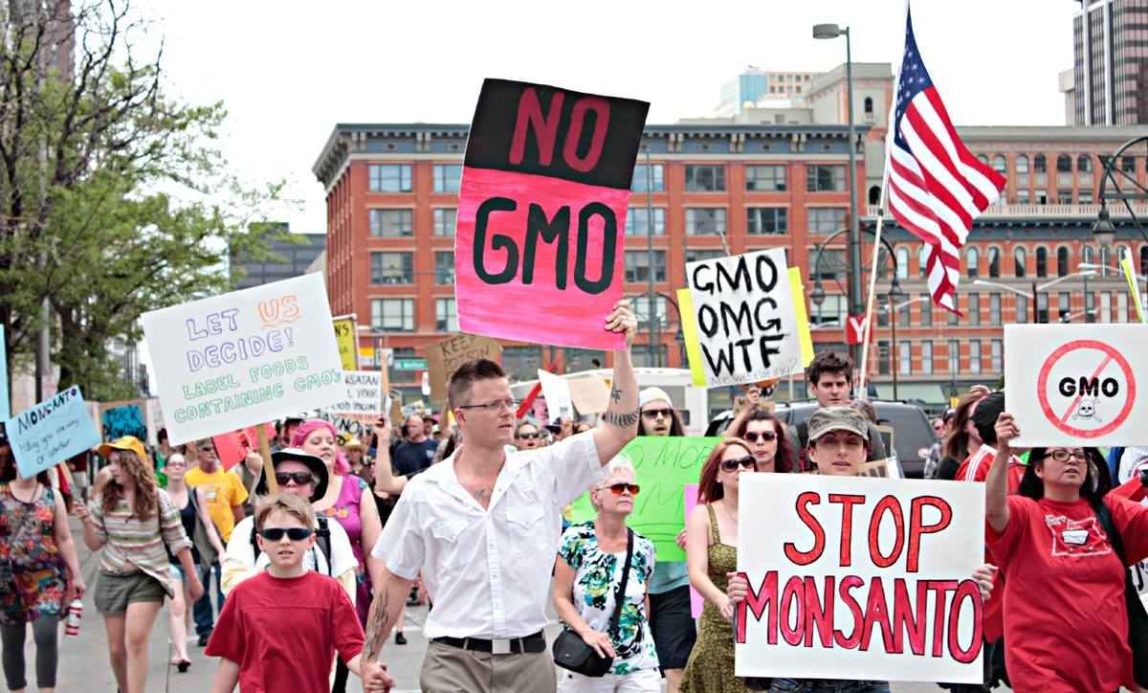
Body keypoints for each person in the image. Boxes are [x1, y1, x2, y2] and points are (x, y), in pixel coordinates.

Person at [361, 301, 640, 692]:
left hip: (528, 663)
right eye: (493, 405)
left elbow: (621, 431)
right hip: (452, 663)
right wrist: (369, 656)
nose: (508, 412)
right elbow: (395, 580)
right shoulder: (425, 491)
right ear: (461, 416)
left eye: (508, 402)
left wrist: (621, 351)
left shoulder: (543, 470)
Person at [988, 413, 1148, 692]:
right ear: (1038, 468)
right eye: (1060, 454)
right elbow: (993, 509)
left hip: (1104, 673)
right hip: (1041, 673)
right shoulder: (1026, 513)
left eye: (1079, 455)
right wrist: (1003, 452)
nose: (1072, 460)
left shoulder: (1111, 511)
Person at [206, 493, 390, 693]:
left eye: (295, 534)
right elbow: (231, 658)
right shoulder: (242, 594)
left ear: (311, 540)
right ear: (260, 542)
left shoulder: (330, 591)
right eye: (274, 534)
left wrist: (369, 669)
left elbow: (352, 648)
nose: (285, 541)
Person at [73, 437, 203, 693]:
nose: (113, 469)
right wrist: (87, 520)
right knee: (116, 648)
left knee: (135, 640)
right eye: (110, 463)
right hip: (112, 576)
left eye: (118, 463)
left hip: (148, 576)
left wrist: (193, 580)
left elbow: (178, 540)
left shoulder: (157, 497)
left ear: (133, 463)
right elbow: (95, 543)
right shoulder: (105, 498)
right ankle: (124, 688)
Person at [553, 457, 660, 692]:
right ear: (596, 496)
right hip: (587, 659)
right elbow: (560, 597)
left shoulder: (645, 547)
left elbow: (643, 600)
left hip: (639, 664)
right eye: (617, 487)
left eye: (631, 488)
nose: (626, 493)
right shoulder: (576, 540)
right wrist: (587, 633)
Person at [294, 419, 384, 689]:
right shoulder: (289, 490)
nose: (326, 447)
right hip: (302, 599)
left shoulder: (356, 487)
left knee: (341, 676)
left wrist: (381, 596)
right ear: (298, 449)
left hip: (351, 597)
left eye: (330, 441)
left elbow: (374, 550)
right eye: (316, 441)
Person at [0, 430, 85, 693]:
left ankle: (46, 689)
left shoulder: (53, 496)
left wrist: (77, 574)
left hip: (47, 577)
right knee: (12, 642)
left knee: (45, 634)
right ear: (14, 463)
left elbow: (64, 537)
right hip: (7, 580)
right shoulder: (1, 495)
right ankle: (17, 689)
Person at [680, 439, 765, 693]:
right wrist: (721, 600)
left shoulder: (772, 511)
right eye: (730, 464)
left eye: (747, 462)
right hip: (718, 629)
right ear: (717, 474)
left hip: (762, 631)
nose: (740, 468)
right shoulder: (702, 515)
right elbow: (696, 571)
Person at [221, 448, 358, 602]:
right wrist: (268, 566)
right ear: (269, 485)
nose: (291, 483)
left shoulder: (331, 531)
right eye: (281, 478)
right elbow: (230, 588)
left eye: (301, 477)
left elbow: (346, 597)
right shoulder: (247, 529)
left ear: (313, 488)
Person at [635, 386, 693, 693]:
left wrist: (696, 533)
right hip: (631, 583)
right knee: (630, 667)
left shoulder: (690, 459)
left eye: (665, 413)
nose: (659, 419)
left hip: (675, 581)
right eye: (651, 413)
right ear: (638, 419)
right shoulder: (623, 459)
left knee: (675, 664)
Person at [162, 452, 224, 674]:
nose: (177, 467)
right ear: (165, 470)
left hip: (193, 558)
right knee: (176, 605)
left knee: (187, 606)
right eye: (173, 464)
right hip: (168, 559)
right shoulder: (160, 496)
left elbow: (207, 524)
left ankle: (180, 642)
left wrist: (220, 550)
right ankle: (182, 654)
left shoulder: (195, 493)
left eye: (181, 464)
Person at [184, 438, 248, 646]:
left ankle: (224, 626)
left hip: (226, 538)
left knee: (226, 584)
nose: (211, 453)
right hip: (198, 541)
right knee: (199, 584)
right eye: (206, 449)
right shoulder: (189, 478)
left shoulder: (229, 476)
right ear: (197, 452)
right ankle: (204, 628)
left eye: (215, 449)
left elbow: (238, 508)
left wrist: (242, 536)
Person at [795, 352, 887, 468]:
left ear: (849, 386)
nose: (835, 391)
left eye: (840, 384)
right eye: (827, 385)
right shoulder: (797, 435)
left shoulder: (870, 432)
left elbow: (888, 480)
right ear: (813, 388)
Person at [933, 392, 987, 481]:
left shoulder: (1003, 457)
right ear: (964, 425)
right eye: (977, 416)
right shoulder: (950, 464)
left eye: (989, 415)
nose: (984, 421)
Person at [725, 408, 797, 474]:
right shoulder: (735, 482)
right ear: (743, 441)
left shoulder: (792, 481)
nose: (760, 442)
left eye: (768, 436)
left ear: (778, 440)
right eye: (752, 436)